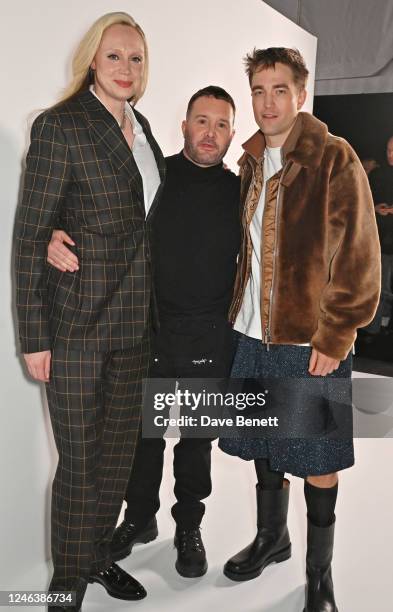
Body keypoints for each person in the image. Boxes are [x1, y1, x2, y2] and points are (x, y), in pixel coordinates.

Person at [46, 87, 240, 579]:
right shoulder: (156, 176)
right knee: (143, 437)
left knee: (196, 441)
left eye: (220, 124)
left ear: (232, 134)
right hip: (148, 329)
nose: (209, 133)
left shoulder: (241, 191)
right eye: (201, 121)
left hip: (209, 336)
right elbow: (97, 210)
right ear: (184, 125)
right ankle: (139, 519)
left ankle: (189, 526)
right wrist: (52, 231)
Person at [218, 48, 380, 612]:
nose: (268, 102)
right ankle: (272, 538)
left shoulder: (334, 158)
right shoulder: (248, 163)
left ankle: (319, 575)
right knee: (265, 442)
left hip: (309, 340)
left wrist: (335, 338)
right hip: (250, 334)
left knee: (318, 459)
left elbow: (360, 259)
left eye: (279, 90)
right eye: (258, 91)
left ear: (300, 94)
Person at [15, 12, 165, 611]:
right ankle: (66, 580)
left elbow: (146, 219)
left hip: (134, 326)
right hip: (75, 325)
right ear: (92, 62)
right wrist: (34, 336)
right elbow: (30, 236)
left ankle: (98, 552)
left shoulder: (144, 126)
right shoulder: (61, 126)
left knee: (117, 455)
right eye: (114, 57)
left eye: (135, 58)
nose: (126, 68)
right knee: (79, 460)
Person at [362, 136, 393, 336]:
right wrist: (375, 208)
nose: (390, 154)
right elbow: (365, 201)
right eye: (388, 150)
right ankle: (372, 329)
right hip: (381, 238)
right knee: (377, 283)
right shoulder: (380, 174)